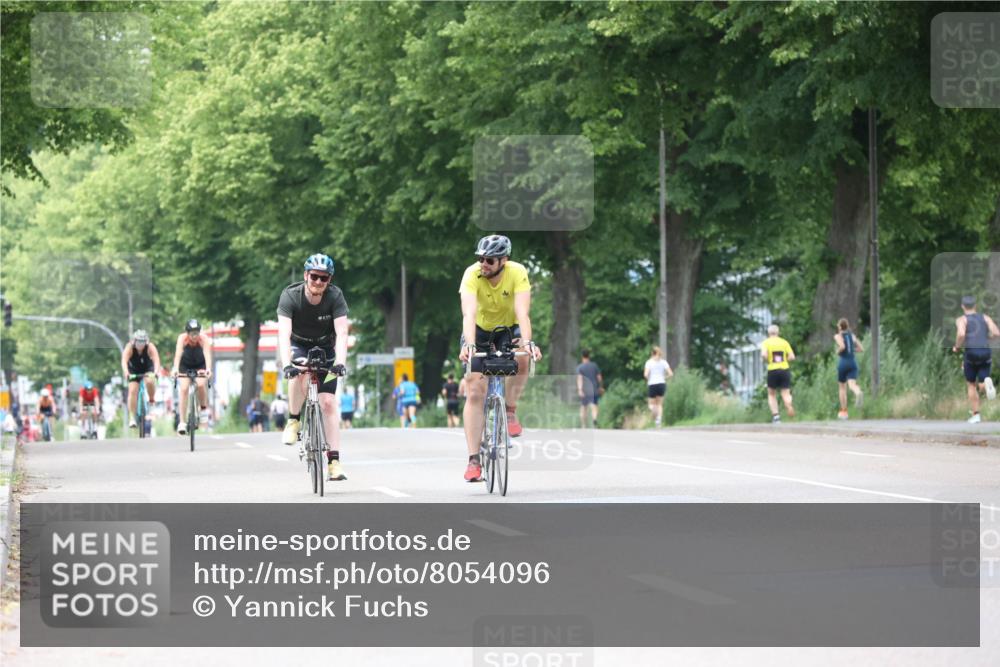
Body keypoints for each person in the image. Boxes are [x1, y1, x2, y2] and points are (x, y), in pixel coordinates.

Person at [458, 234, 543, 482]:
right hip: (479, 330)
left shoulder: (518, 272)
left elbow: (522, 313)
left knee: (523, 357)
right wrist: (470, 345)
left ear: (503, 260)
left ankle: (510, 409)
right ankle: (474, 460)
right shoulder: (471, 274)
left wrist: (528, 343)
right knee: (475, 389)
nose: (483, 264)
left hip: (509, 328)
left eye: (489, 260)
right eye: (481, 259)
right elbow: (468, 314)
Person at [277, 253, 349, 481]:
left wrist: (340, 362)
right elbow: (283, 334)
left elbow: (342, 333)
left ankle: (334, 462)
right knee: (299, 372)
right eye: (314, 276)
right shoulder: (290, 296)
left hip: (327, 351)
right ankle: (294, 419)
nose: (318, 282)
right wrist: (287, 364)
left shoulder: (335, 296)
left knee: (328, 403)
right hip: (299, 346)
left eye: (324, 278)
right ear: (306, 275)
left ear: (329, 280)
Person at [953, 295, 999, 423]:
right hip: (985, 352)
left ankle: (976, 415)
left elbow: (961, 334)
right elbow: (996, 333)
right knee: (983, 381)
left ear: (963, 306)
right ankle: (986, 385)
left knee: (971, 384)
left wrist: (957, 346)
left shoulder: (962, 319)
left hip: (971, 353)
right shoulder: (985, 317)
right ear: (975, 306)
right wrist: (988, 338)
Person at [171, 319, 213, 435]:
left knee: (201, 384)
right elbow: (178, 354)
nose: (195, 336)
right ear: (187, 333)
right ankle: (182, 422)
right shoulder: (182, 338)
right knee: (184, 388)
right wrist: (175, 369)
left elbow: (207, 355)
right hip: (185, 366)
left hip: (200, 365)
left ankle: (203, 409)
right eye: (192, 333)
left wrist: (208, 369)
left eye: (197, 333)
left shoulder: (204, 339)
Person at [121, 329, 162, 429]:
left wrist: (156, 372)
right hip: (133, 369)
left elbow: (156, 360)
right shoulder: (129, 347)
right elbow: (124, 361)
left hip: (147, 368)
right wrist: (126, 373)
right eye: (139, 341)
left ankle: (151, 399)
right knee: (132, 390)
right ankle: (132, 417)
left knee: (150, 381)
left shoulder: (150, 347)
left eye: (143, 341)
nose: (140, 344)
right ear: (134, 341)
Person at [761, 324, 796, 423]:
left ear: (768, 333)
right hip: (784, 369)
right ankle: (788, 404)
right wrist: (784, 360)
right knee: (785, 393)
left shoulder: (766, 342)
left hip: (772, 370)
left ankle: (776, 417)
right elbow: (792, 357)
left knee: (771, 394)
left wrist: (767, 360)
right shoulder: (784, 342)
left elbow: (763, 355)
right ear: (778, 332)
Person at [834, 319, 864, 419]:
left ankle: (844, 412)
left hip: (843, 362)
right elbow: (861, 349)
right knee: (852, 385)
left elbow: (842, 346)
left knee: (842, 388)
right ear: (847, 326)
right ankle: (858, 392)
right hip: (852, 363)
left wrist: (838, 351)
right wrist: (851, 350)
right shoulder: (852, 336)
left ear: (839, 327)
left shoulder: (838, 336)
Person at [643, 346, 673, 427]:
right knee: (659, 404)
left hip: (652, 384)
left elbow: (645, 375)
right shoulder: (664, 362)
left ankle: (655, 414)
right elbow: (671, 374)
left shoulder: (649, 362)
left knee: (651, 404)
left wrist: (649, 379)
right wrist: (664, 378)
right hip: (661, 383)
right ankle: (658, 420)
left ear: (652, 353)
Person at [576, 350, 603, 428]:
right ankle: (594, 419)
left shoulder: (580, 367)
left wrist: (580, 390)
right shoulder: (594, 366)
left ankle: (584, 425)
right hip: (594, 388)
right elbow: (599, 378)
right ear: (589, 356)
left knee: (584, 407)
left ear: (582, 356)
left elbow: (580, 379)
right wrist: (600, 387)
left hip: (585, 390)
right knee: (594, 406)